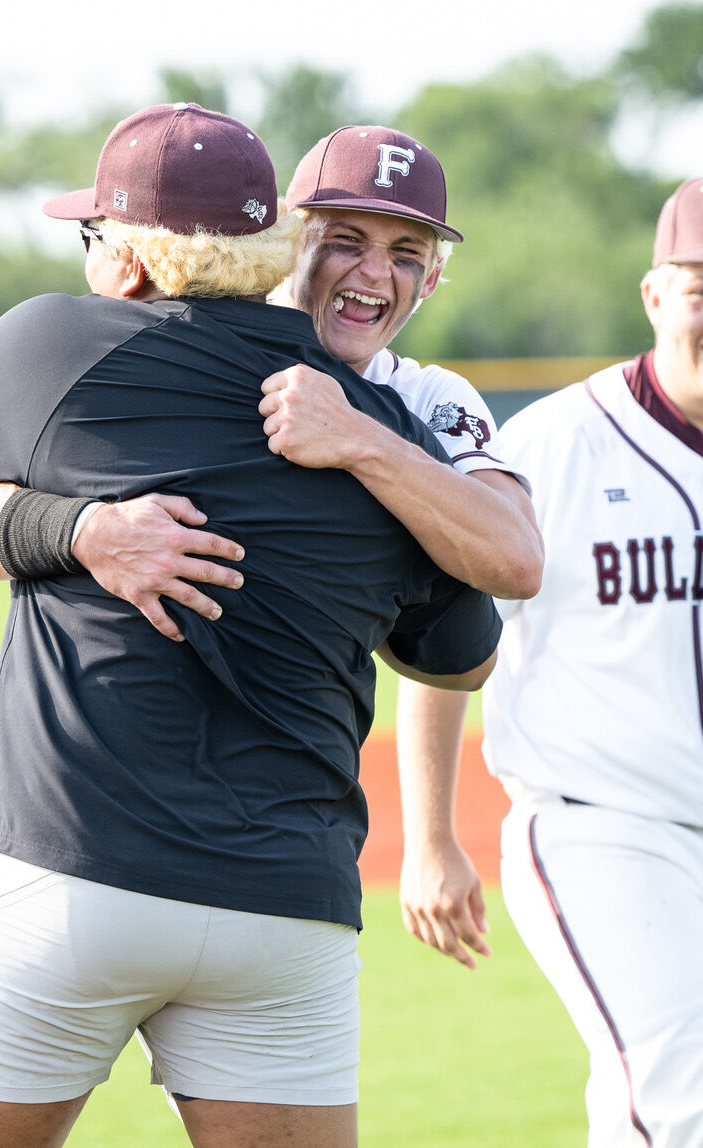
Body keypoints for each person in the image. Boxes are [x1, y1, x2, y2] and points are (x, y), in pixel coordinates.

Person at [0, 103, 500, 1148]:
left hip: (67, 876)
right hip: (286, 915)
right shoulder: (388, 430)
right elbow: (460, 655)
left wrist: (78, 527)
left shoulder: (55, 344)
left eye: (95, 234)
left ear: (133, 258)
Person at [408, 177, 703, 1145]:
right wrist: (430, 837)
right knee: (683, 1095)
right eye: (698, 283)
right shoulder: (556, 445)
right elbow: (444, 640)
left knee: (639, 1107)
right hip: (606, 828)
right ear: (653, 294)